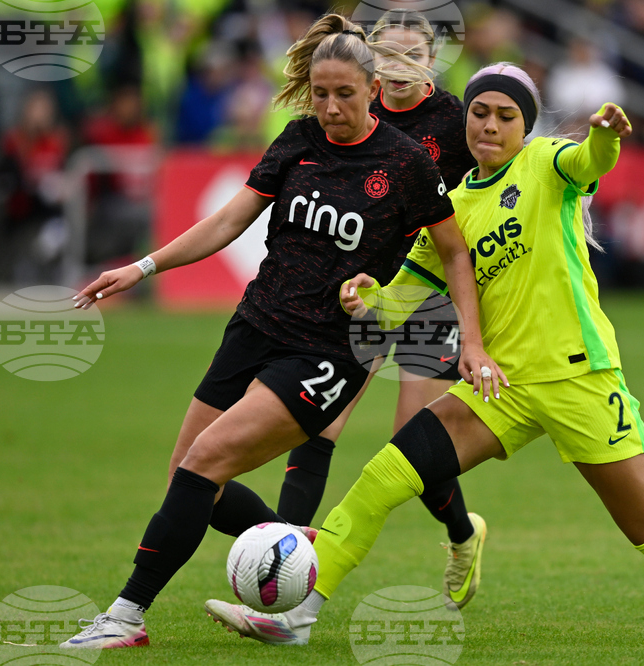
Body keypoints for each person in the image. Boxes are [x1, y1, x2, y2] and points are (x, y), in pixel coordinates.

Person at [205, 62, 644, 645]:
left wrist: (604, 138)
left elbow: (589, 159)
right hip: (501, 387)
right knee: (382, 478)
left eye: (504, 116)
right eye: (479, 113)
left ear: (526, 128)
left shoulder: (549, 165)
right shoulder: (452, 208)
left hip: (580, 378)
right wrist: (364, 298)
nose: (489, 126)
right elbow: (399, 303)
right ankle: (298, 616)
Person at [59, 14, 503, 650]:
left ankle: (125, 615)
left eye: (343, 94)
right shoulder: (296, 140)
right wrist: (143, 266)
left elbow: (455, 251)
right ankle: (298, 551)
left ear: (372, 87)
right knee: (187, 476)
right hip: (254, 326)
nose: (329, 107)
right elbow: (227, 221)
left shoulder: (405, 162)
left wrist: (473, 339)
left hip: (328, 350)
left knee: (208, 462)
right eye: (320, 94)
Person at [273, 8, 487, 611]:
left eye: (410, 57)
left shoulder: (453, 118)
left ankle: (463, 537)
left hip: (430, 294)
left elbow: (499, 173)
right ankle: (284, 563)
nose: (397, 68)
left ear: (431, 63)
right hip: (365, 291)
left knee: (408, 439)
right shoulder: (352, 115)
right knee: (320, 422)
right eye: (386, 56)